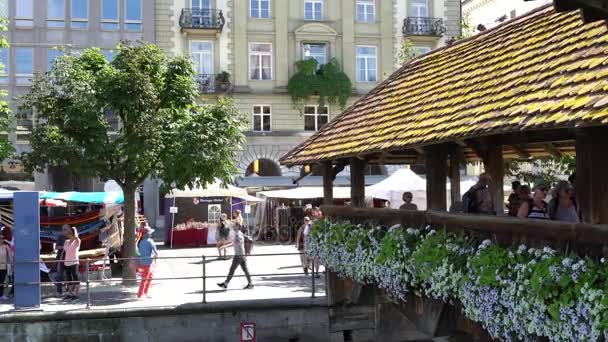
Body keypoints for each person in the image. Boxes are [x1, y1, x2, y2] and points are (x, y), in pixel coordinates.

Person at [217, 221, 254, 290]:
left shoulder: (238, 234)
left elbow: (238, 243)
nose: (233, 226)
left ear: (237, 226)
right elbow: (235, 243)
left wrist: (225, 246)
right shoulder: (238, 233)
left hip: (238, 255)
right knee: (245, 270)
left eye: (234, 225)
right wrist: (225, 246)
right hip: (241, 254)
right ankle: (250, 283)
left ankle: (226, 284)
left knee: (232, 269)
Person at [137, 225, 158, 299]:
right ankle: (140, 294)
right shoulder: (150, 241)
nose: (151, 234)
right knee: (145, 278)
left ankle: (145, 293)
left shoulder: (140, 242)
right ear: (147, 234)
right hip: (149, 262)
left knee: (149, 277)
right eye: (150, 233)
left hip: (142, 262)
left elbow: (139, 252)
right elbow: (156, 253)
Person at [63, 226, 81, 300]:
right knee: (68, 278)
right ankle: (70, 294)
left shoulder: (77, 241)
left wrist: (74, 229)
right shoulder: (66, 242)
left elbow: (76, 237)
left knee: (75, 277)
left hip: (74, 262)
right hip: (67, 262)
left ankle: (76, 294)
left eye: (70, 231)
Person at [54, 225, 69, 296]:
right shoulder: (60, 237)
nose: (63, 231)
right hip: (60, 258)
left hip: (69, 258)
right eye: (63, 229)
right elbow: (56, 247)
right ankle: (59, 291)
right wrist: (63, 247)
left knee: (69, 274)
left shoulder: (71, 237)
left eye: (65, 229)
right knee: (60, 274)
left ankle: (69, 291)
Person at [0, 233, 11, 300]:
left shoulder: (6, 247)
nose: (1, 240)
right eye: (0, 238)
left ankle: (1, 295)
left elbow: (10, 257)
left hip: (3, 267)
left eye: (2, 238)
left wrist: (10, 267)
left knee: (2, 281)